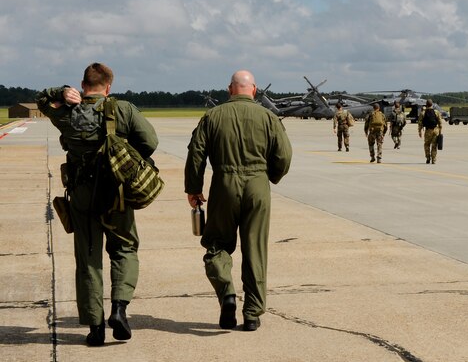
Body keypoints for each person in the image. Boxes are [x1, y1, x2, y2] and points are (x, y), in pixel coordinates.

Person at [36, 63, 158, 347]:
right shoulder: (123, 110)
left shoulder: (67, 114)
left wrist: (61, 92)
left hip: (81, 196)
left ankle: (95, 328)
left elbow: (42, 98)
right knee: (124, 248)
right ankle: (119, 309)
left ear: (82, 85)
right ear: (108, 87)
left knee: (88, 260)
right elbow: (150, 141)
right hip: (116, 194)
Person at [184, 70, 292, 332]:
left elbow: (196, 153)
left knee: (217, 244)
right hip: (257, 185)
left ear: (230, 89)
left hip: (224, 184)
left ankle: (227, 293)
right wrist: (269, 177)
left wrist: (194, 189)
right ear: (253, 90)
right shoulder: (268, 117)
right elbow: (284, 156)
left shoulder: (212, 116)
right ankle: (252, 313)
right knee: (255, 248)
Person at [418, 99, 443, 164]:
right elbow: (440, 122)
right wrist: (440, 131)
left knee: (427, 145)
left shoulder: (423, 112)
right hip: (435, 130)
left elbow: (420, 123)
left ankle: (428, 158)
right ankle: (434, 159)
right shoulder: (436, 112)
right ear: (432, 104)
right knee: (434, 146)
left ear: (426, 104)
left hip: (428, 131)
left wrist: (420, 131)